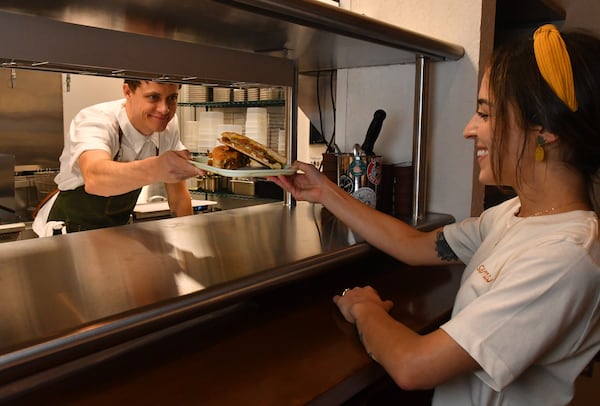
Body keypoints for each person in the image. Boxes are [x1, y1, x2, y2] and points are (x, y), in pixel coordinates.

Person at [269, 24, 600, 405]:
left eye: (485, 114)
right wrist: (325, 191)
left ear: (544, 129)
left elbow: (414, 366)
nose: (468, 130)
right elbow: (416, 245)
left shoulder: (565, 257)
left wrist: (365, 310)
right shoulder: (516, 214)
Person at [33, 79, 203, 235]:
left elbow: (178, 197)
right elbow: (95, 178)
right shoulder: (96, 120)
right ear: (128, 91)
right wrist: (157, 168)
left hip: (113, 233)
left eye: (172, 98)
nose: (164, 109)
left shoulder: (167, 125)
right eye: (153, 97)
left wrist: (186, 238)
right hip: (67, 232)